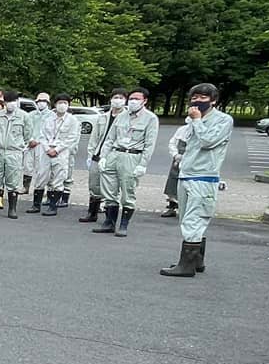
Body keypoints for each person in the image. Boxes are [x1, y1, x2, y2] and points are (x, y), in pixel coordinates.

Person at [160, 84, 235, 277]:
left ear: (213, 100)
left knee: (195, 219)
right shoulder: (192, 120)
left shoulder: (223, 120)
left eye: (203, 97)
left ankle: (186, 266)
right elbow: (188, 145)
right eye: (194, 97)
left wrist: (197, 121)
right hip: (186, 174)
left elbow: (207, 141)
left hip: (203, 177)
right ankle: (196, 261)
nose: (197, 101)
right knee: (186, 219)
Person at [91, 89, 159, 236]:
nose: (133, 101)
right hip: (115, 153)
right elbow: (110, 139)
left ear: (144, 101)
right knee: (109, 190)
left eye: (136, 99)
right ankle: (109, 222)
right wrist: (103, 157)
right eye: (131, 98)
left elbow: (149, 144)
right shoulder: (122, 116)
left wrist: (143, 164)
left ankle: (123, 225)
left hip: (132, 156)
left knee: (128, 191)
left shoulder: (150, 118)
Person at [0, 92, 33, 216]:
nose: (11, 104)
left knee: (13, 180)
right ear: (4, 103)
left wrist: (20, 146)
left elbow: (28, 135)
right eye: (9, 101)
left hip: (14, 151)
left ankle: (12, 209)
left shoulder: (24, 116)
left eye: (14, 101)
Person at [80, 93, 124, 222]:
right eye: (115, 97)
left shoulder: (126, 118)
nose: (118, 100)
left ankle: (109, 218)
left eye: (121, 98)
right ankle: (92, 212)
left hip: (114, 156)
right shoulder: (102, 117)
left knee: (111, 187)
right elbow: (94, 138)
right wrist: (90, 155)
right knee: (94, 185)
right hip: (97, 154)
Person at [38, 98, 78, 215]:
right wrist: (47, 148)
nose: (62, 105)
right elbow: (42, 135)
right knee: (42, 175)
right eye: (60, 103)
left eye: (65, 103)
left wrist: (56, 149)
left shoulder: (72, 120)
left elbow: (71, 138)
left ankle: (53, 206)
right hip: (46, 150)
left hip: (61, 151)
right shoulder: (48, 119)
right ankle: (37, 204)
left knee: (58, 177)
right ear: (55, 104)